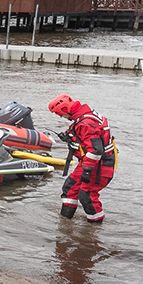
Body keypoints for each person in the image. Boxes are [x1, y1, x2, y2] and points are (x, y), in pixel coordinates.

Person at [49, 94, 115, 223]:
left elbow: (96, 150)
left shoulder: (86, 123)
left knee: (87, 195)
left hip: (99, 165)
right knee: (70, 188)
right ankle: (65, 224)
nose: (61, 117)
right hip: (90, 162)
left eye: (60, 114)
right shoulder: (84, 116)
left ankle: (94, 229)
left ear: (65, 109)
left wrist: (87, 170)